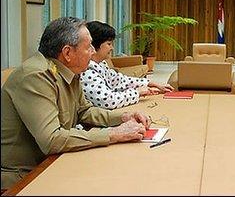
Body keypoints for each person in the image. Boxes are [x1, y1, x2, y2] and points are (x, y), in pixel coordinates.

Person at [1, 17, 151, 189]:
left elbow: (84, 112)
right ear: (67, 53)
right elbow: (52, 140)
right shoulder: (36, 76)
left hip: (54, 162)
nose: (93, 52)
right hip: (25, 177)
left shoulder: (68, 71)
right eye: (88, 47)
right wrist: (113, 134)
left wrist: (124, 116)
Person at [81, 21, 173, 110]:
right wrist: (137, 92)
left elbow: (118, 80)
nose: (112, 48)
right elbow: (108, 101)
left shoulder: (100, 64)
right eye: (109, 44)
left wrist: (152, 84)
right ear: (93, 45)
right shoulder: (87, 71)